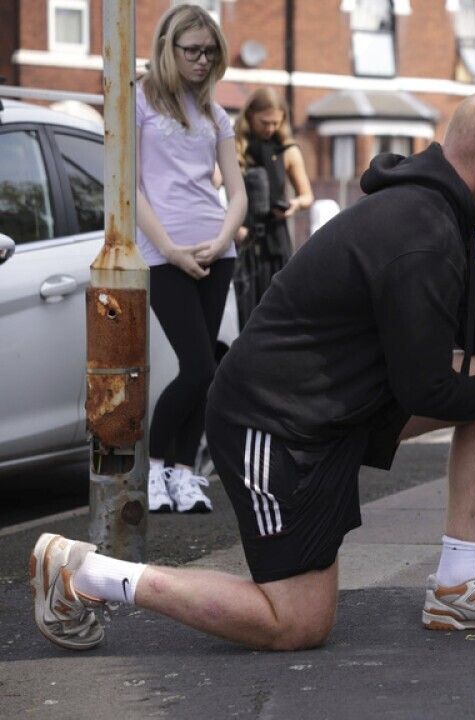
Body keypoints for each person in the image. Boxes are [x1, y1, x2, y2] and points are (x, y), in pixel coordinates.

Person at [30, 90, 475, 653]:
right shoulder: (421, 232)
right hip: (272, 425)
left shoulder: (438, 215)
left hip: (336, 408)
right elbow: (424, 387)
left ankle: (457, 582)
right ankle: (85, 572)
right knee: (297, 624)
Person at [134, 4, 246, 515]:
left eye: (210, 52)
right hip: (164, 253)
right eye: (193, 51)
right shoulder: (137, 102)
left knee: (209, 371)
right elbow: (131, 189)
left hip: (215, 251)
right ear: (168, 49)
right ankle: (156, 471)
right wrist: (172, 251)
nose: (203, 61)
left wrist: (223, 238)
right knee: (198, 366)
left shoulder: (215, 114)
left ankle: (183, 475)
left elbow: (238, 193)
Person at [232, 87, 313, 329]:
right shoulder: (235, 150)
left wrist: (293, 206)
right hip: (243, 241)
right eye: (264, 122)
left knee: (278, 313)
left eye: (276, 123)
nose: (270, 128)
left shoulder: (288, 151)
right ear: (249, 117)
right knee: (246, 316)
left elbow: (307, 196)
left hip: (276, 240)